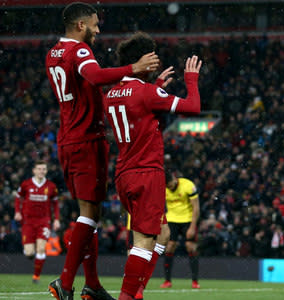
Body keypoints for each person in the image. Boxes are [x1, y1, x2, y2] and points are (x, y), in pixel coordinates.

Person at [45, 3, 160, 300]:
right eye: (94, 25)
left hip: (67, 137)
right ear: (80, 25)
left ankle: (92, 285)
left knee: (91, 214)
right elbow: (95, 77)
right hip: (86, 140)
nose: (98, 30)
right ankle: (66, 283)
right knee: (88, 215)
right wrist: (133, 69)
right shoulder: (80, 52)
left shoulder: (53, 53)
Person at [103, 32, 201, 300]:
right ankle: (129, 296)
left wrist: (156, 84)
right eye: (153, 59)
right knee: (144, 243)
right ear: (142, 61)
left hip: (124, 172)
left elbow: (136, 109)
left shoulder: (111, 94)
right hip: (147, 173)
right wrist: (191, 80)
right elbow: (192, 106)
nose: (156, 64)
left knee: (162, 234)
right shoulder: (146, 92)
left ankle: (138, 290)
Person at [14, 160, 60, 284]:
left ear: (46, 171)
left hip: (44, 222)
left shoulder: (51, 186)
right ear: (34, 170)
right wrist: (17, 212)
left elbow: (55, 204)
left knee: (41, 248)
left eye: (44, 169)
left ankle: (36, 277)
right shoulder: (26, 184)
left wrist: (56, 219)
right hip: (28, 222)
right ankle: (30, 253)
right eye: (39, 169)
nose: (41, 171)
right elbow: (18, 198)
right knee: (29, 253)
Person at [160, 171, 201, 289]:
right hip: (172, 220)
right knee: (169, 247)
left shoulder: (188, 186)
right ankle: (167, 281)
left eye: (171, 185)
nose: (170, 188)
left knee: (190, 247)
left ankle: (195, 281)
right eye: (167, 187)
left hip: (187, 220)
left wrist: (193, 227)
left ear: (174, 178)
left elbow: (196, 208)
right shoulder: (163, 188)